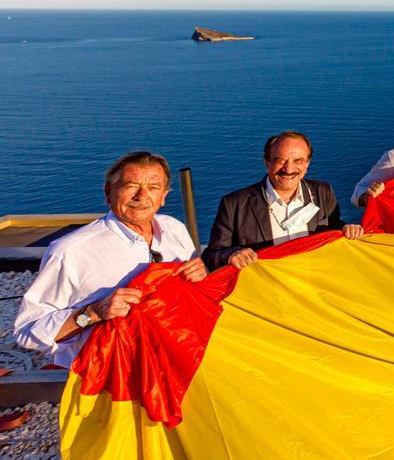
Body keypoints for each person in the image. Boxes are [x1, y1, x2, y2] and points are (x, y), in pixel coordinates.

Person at [13, 152, 207, 368]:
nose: (142, 197)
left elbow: (194, 300)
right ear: (108, 193)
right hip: (105, 376)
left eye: (153, 188)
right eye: (131, 186)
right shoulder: (71, 251)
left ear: (163, 197)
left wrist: (201, 280)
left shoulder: (175, 230)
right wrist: (93, 313)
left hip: (173, 363)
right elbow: (27, 331)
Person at [202, 131, 364, 270]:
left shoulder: (322, 191)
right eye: (280, 160)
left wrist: (346, 228)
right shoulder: (235, 204)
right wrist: (231, 255)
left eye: (298, 161)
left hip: (313, 287)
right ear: (267, 163)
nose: (288, 169)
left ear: (307, 164)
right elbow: (210, 256)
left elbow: (333, 226)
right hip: (265, 293)